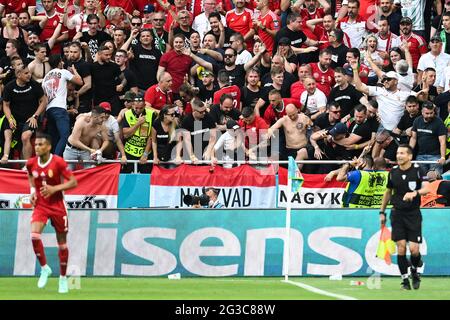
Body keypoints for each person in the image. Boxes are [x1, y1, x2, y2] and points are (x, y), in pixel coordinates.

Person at [26, 132, 77, 294]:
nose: (37, 147)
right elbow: (30, 175)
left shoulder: (58, 162)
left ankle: (62, 279)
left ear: (48, 146)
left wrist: (54, 188)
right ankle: (44, 268)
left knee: (62, 244)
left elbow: (73, 182)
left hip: (57, 205)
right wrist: (33, 191)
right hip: (41, 204)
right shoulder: (31, 163)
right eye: (35, 145)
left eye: (41, 145)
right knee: (34, 236)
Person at [380, 144, 430, 290]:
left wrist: (415, 193)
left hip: (413, 214)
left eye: (402, 153)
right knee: (401, 248)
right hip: (397, 214)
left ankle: (414, 271)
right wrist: (382, 212)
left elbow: (427, 188)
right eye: (397, 153)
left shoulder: (418, 170)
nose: (399, 156)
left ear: (409, 156)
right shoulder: (393, 172)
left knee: (414, 250)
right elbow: (388, 192)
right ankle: (404, 281)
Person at [2, 66, 47, 160]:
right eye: (26, 73)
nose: (29, 75)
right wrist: (10, 119)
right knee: (9, 136)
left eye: (29, 72)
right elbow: (6, 105)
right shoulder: (9, 87)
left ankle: (27, 165)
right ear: (18, 75)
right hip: (14, 118)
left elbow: (43, 101)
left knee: (25, 137)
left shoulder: (34, 85)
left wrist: (35, 116)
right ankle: (5, 157)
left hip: (30, 119)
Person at [42, 55, 83, 157]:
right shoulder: (63, 72)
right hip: (59, 109)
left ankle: (50, 160)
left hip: (49, 110)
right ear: (60, 62)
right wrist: (74, 70)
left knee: (54, 137)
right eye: (62, 61)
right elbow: (80, 81)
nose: (63, 63)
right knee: (65, 136)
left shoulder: (45, 77)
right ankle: (55, 160)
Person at [64, 105, 109, 170]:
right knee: (68, 173)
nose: (104, 120)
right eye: (102, 117)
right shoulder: (81, 121)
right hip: (71, 149)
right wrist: (90, 150)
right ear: (95, 117)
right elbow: (74, 140)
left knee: (90, 172)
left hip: (85, 151)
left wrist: (100, 150)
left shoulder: (102, 126)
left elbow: (106, 140)